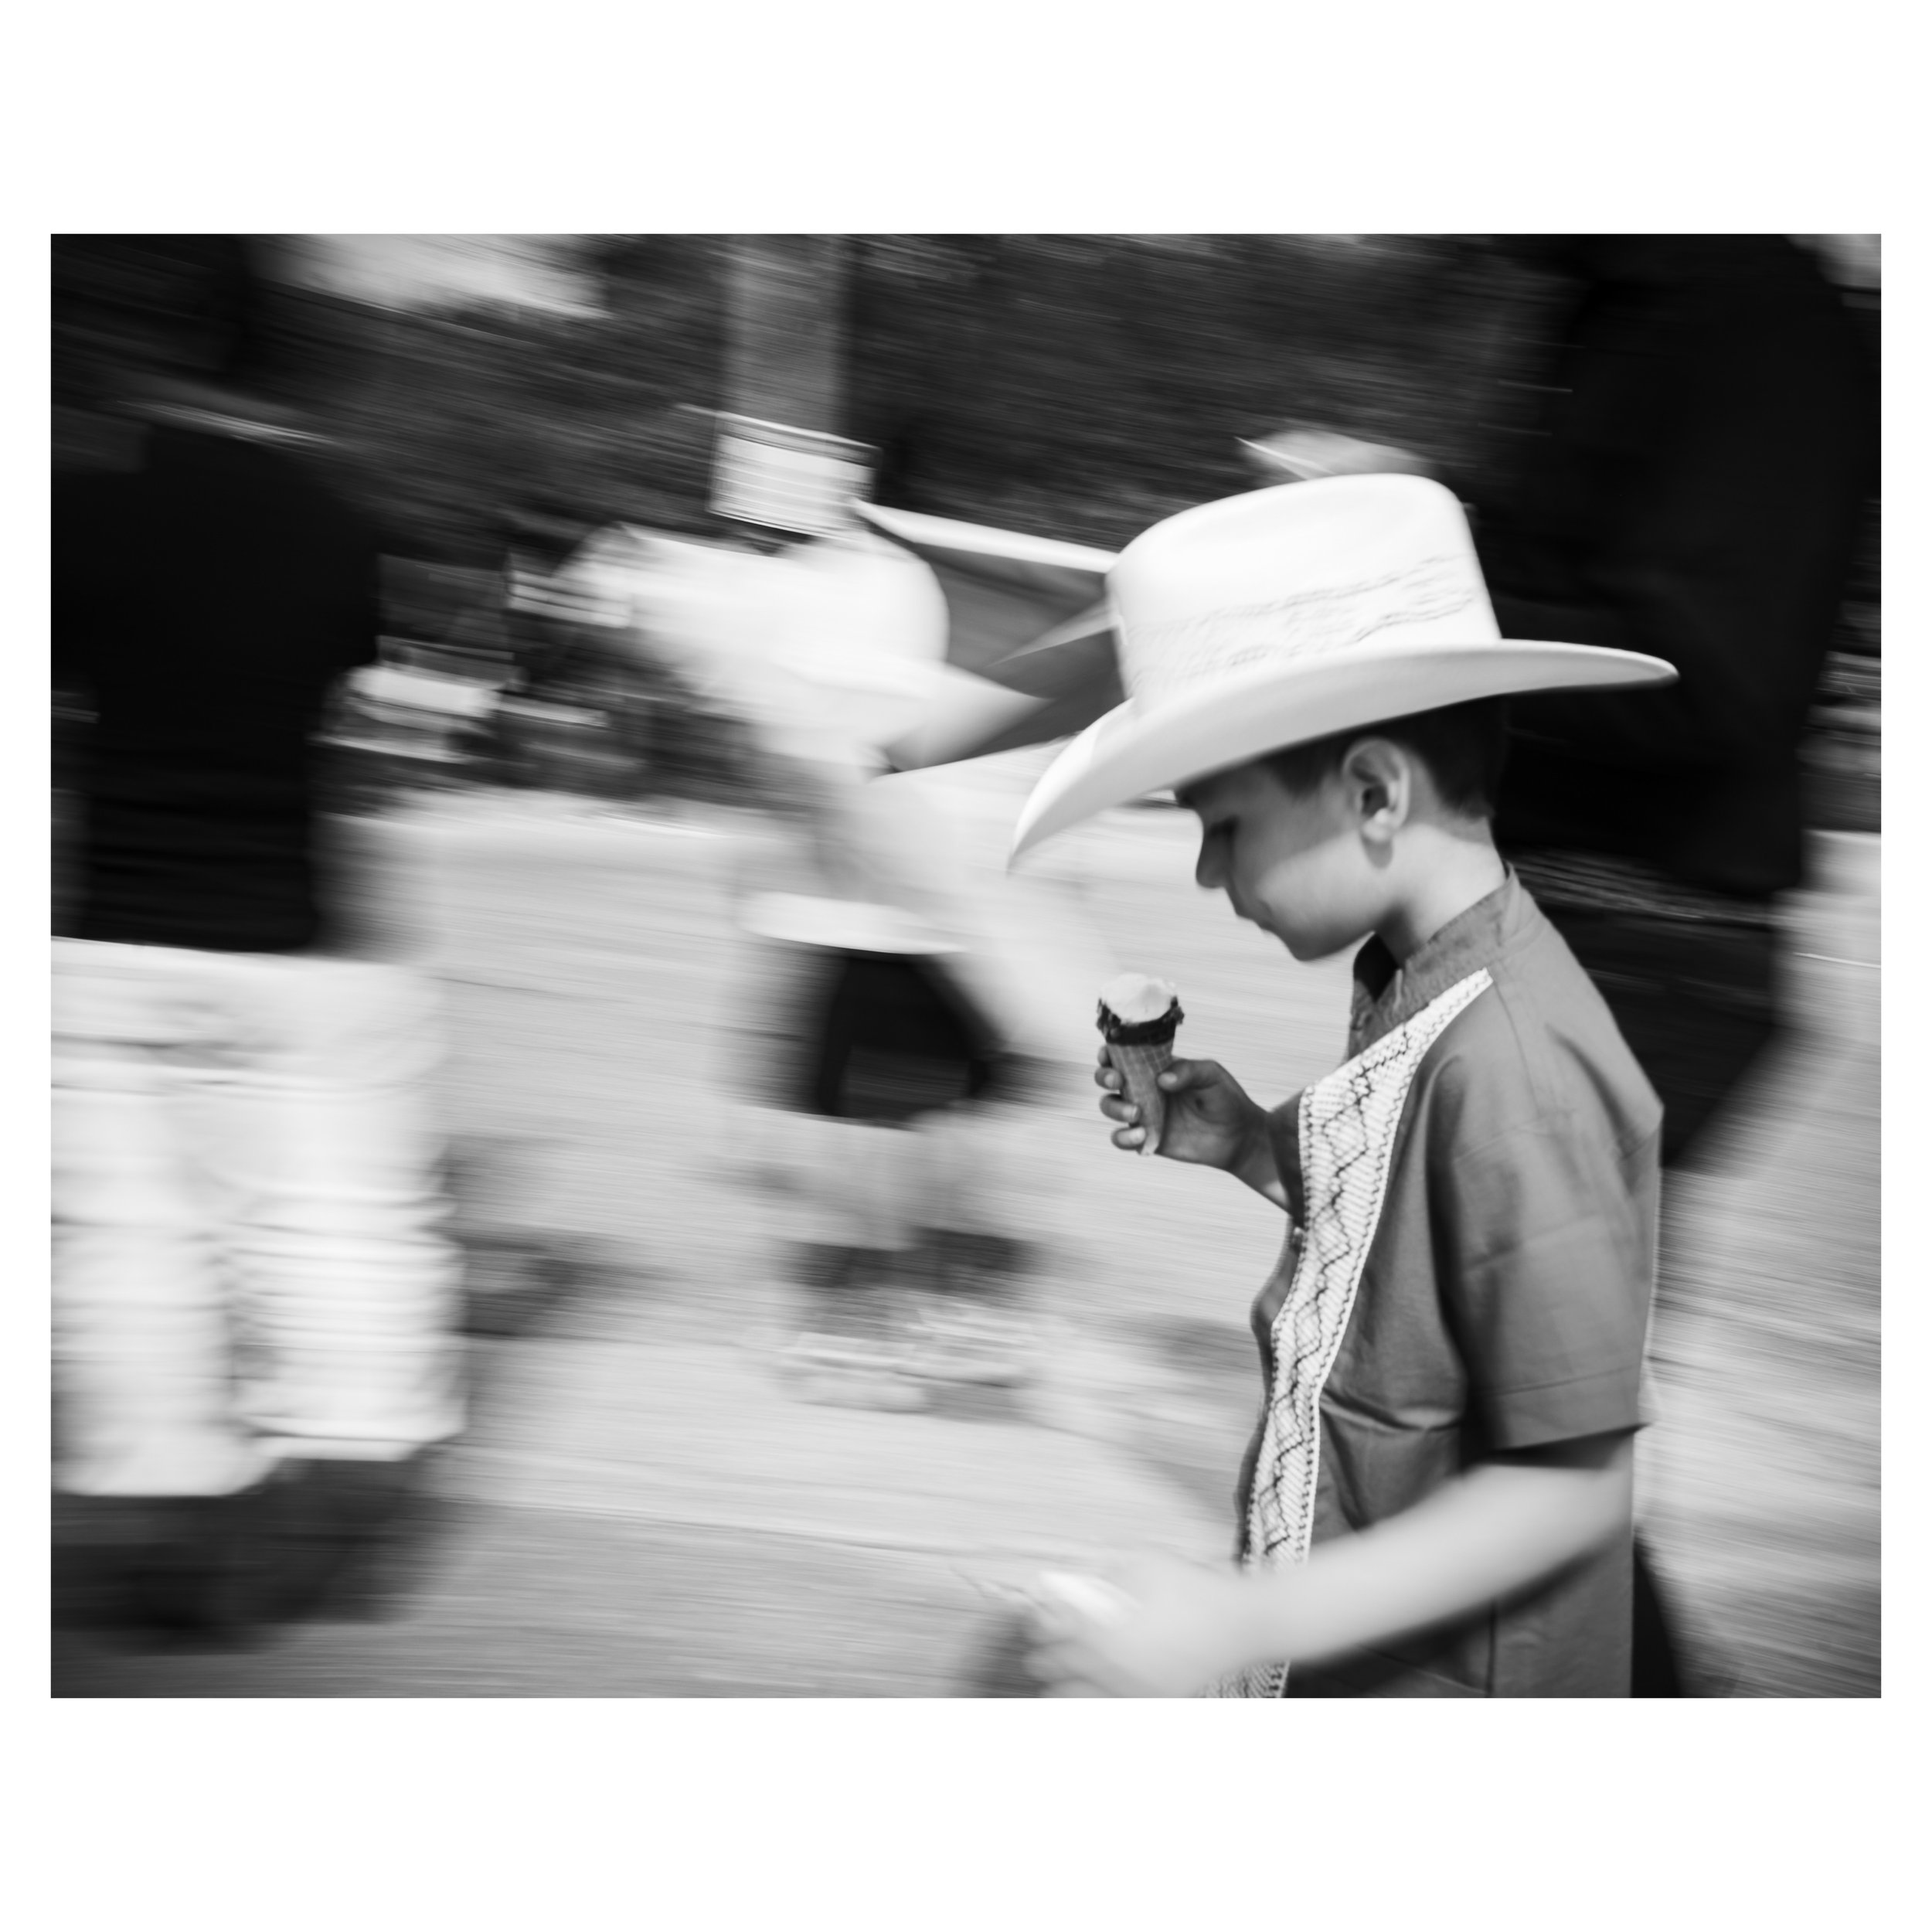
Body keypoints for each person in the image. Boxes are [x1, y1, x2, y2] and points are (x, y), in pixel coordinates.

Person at [1247, 234, 1879, 1692]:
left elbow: (1704, 678)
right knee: (1457, 1444)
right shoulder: (1619, 300)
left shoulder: (1750, 317)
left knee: (1483, 1455)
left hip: (1630, 961)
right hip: (1555, 950)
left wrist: (1399, 592)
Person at [1011, 474, 1676, 1696]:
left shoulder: (1518, 1072)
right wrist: (1257, 1147)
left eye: (1225, 824)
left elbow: (1566, 1494)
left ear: (1374, 794)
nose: (1209, 871)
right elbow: (1414, 1247)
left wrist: (1232, 1623)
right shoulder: (1413, 975)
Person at [52, 237, 464, 1635]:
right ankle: (337, 1524)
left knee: (134, 1244)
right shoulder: (343, 528)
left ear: (152, 355)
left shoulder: (77, 514)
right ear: (296, 369)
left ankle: (168, 1533)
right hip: (296, 936)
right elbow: (359, 730)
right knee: (335, 1232)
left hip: (111, 936)